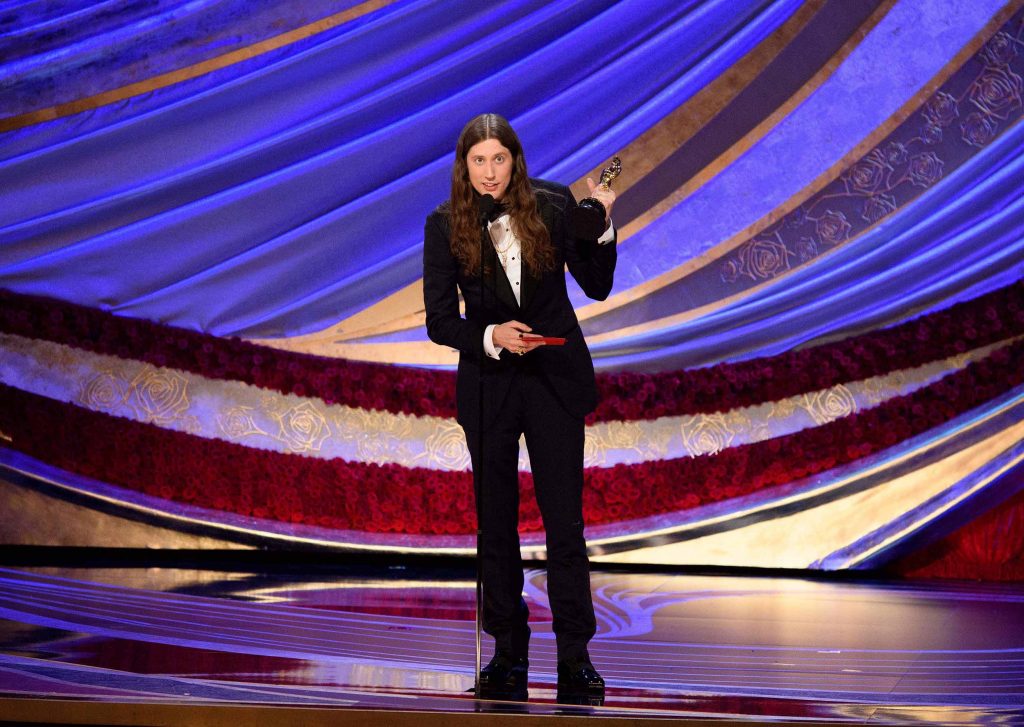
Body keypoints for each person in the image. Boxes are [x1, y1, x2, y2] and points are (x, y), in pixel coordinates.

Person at [423, 113, 617, 695]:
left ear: (516, 160)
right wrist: (489, 337)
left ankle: (575, 656)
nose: (489, 173)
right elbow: (438, 322)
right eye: (478, 162)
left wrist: (601, 227)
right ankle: (508, 653)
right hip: (490, 386)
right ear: (465, 167)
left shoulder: (555, 206)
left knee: (565, 523)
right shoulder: (444, 224)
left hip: (554, 382)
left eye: (498, 160)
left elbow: (598, 285)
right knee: (496, 526)